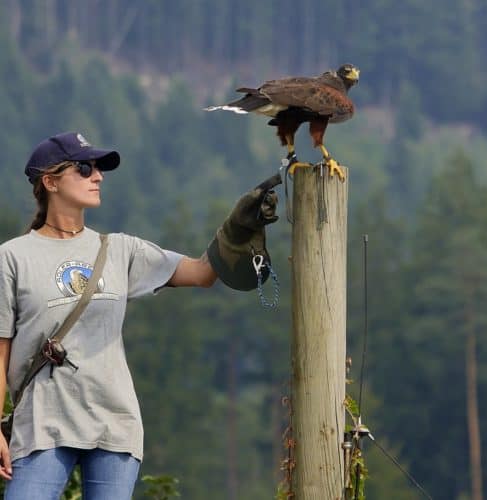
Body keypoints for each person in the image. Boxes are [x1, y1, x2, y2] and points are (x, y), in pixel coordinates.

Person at [0, 132, 280, 499]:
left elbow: (201, 273)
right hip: (42, 424)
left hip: (114, 424)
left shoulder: (120, 250)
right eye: (85, 168)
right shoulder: (12, 257)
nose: (97, 176)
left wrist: (237, 229)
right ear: (49, 182)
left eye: (98, 168)